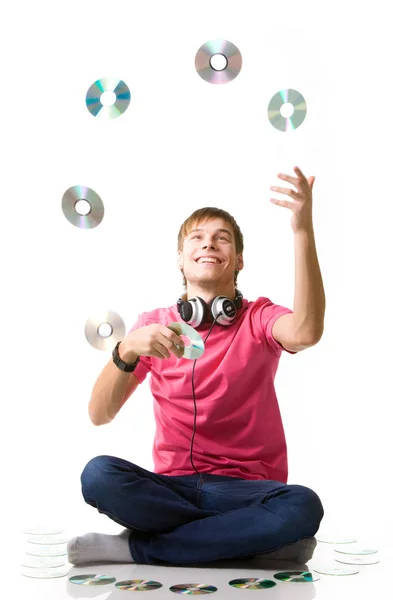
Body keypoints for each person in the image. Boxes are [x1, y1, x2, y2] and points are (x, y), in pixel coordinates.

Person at [68, 171, 326, 567]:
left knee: (302, 505)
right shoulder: (152, 326)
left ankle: (136, 548)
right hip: (171, 489)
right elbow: (98, 414)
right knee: (99, 475)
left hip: (247, 491)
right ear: (180, 258)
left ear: (238, 259)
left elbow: (306, 331)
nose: (209, 242)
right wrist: (127, 348)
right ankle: (246, 540)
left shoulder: (259, 317)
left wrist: (302, 229)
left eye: (222, 237)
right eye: (197, 237)